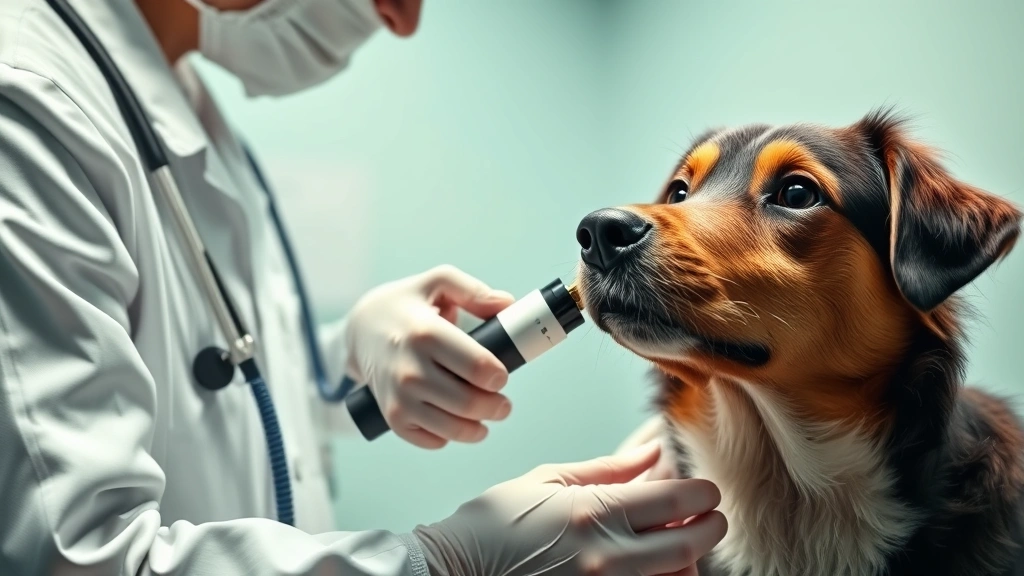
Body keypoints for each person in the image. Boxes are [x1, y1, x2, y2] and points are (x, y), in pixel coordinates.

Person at [0, 0, 727, 574]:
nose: (405, 19)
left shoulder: (181, 100)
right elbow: (75, 557)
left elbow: (208, 385)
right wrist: (442, 564)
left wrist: (344, 359)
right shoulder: (28, 105)